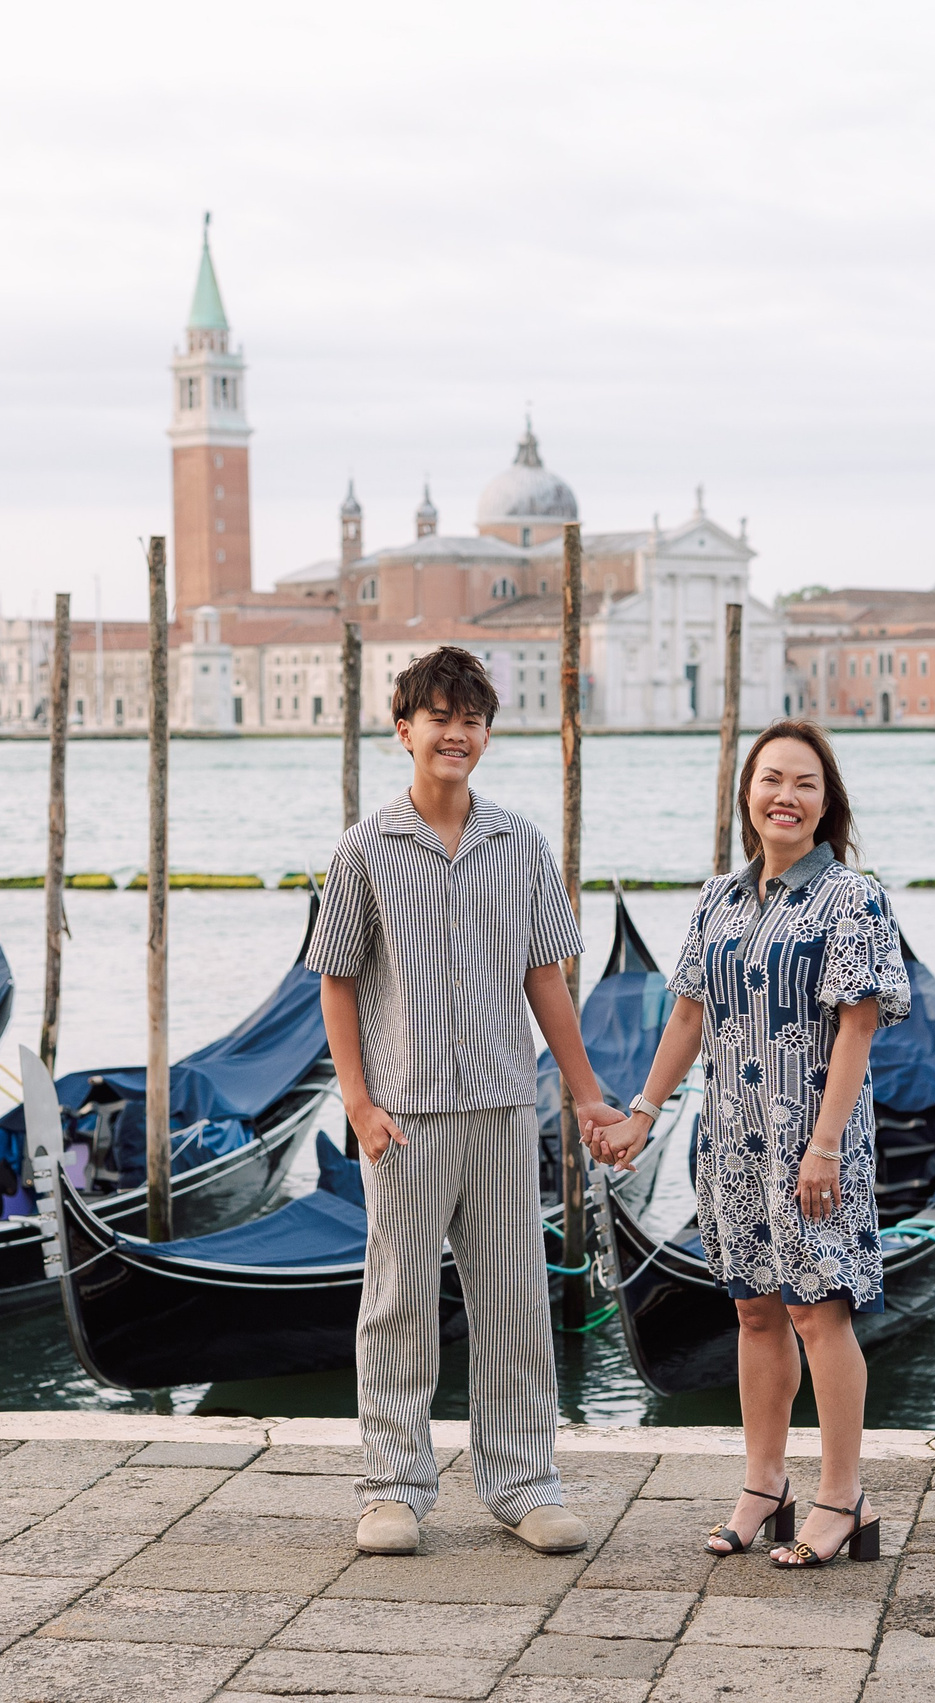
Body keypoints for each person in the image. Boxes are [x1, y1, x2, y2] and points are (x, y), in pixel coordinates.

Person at [306, 645, 623, 1557]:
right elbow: (336, 980)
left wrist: (589, 1096)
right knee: (398, 1302)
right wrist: (359, 1105)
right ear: (404, 729)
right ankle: (393, 1488)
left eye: (472, 718)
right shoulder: (365, 849)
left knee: (516, 1303)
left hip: (500, 1108)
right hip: (402, 1115)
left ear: (487, 732)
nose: (457, 732)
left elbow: (546, 978)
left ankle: (524, 1481)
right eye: (439, 717)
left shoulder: (519, 843)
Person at [588, 719, 903, 1568]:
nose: (785, 796)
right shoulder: (719, 898)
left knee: (817, 1310)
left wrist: (827, 1143)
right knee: (754, 1309)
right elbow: (689, 1013)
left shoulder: (854, 898)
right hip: (730, 1139)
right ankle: (765, 1482)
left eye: (804, 782)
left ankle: (844, 1496)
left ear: (826, 799)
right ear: (747, 794)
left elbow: (858, 1026)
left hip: (814, 1142)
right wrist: (644, 1113)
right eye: (771, 780)